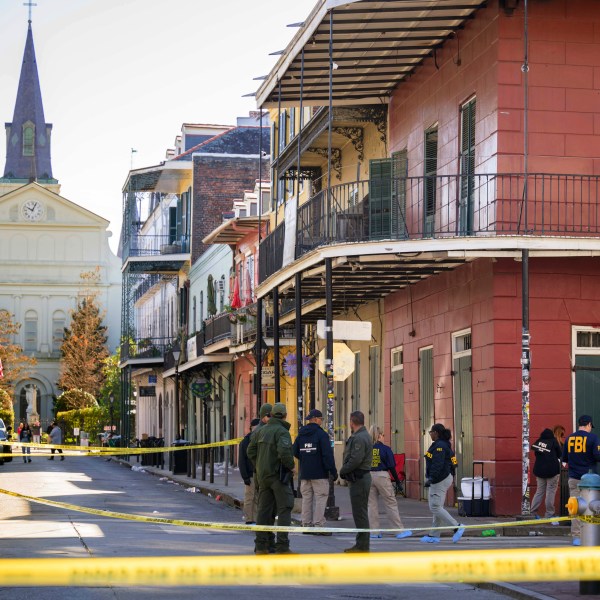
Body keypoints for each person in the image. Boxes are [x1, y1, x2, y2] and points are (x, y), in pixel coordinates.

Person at [247, 402, 295, 555]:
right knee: (285, 508)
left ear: (272, 415)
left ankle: (261, 546)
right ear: (285, 416)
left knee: (263, 511)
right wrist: (291, 466)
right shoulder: (282, 431)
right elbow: (284, 452)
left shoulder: (260, 431)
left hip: (263, 477)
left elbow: (250, 451)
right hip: (277, 476)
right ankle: (282, 546)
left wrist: (259, 465)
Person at [293, 409, 337, 535]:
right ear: (316, 419)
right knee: (321, 498)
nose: (321, 421)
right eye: (321, 419)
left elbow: (294, 450)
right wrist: (333, 471)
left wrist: (305, 458)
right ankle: (318, 525)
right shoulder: (321, 435)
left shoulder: (301, 434)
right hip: (319, 473)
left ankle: (306, 524)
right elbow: (327, 455)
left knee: (306, 498)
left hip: (305, 473)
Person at [421, 423, 465, 544]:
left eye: (431, 432)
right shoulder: (445, 445)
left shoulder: (439, 446)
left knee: (435, 506)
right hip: (443, 478)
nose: (430, 434)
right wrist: (451, 471)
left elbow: (438, 464)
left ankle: (456, 527)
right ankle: (433, 535)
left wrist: (431, 478)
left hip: (439, 479)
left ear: (436, 433)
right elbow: (454, 461)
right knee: (437, 507)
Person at [367, 426, 412, 539]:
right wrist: (397, 481)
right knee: (390, 503)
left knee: (371, 505)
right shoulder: (385, 449)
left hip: (368, 476)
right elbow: (392, 467)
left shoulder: (366, 448)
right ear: (379, 436)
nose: (384, 437)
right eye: (383, 435)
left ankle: (374, 532)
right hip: (382, 475)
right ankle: (398, 530)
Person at [562, 415, 600, 546]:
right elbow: (598, 456)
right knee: (594, 507)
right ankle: (594, 534)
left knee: (575, 507)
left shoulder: (569, 438)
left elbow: (564, 459)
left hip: (574, 478)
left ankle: (577, 536)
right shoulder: (594, 438)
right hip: (591, 482)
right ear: (589, 424)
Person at [339, 410, 373, 553]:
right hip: (360, 478)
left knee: (360, 513)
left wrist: (343, 470)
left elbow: (355, 459)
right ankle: (361, 543)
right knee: (360, 512)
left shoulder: (359, 437)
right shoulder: (361, 436)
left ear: (352, 422)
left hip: (359, 478)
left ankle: (362, 545)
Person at [530, 428, 562, 522]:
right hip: (552, 471)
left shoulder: (538, 442)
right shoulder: (554, 442)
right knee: (550, 492)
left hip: (539, 471)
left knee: (539, 492)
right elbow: (559, 454)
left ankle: (533, 513)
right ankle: (549, 514)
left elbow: (536, 454)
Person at [239, 418, 260, 524]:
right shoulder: (245, 441)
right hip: (250, 474)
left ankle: (255, 518)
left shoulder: (260, 438)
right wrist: (245, 477)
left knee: (257, 498)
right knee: (249, 498)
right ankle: (248, 519)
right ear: (252, 428)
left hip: (258, 474)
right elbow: (241, 460)